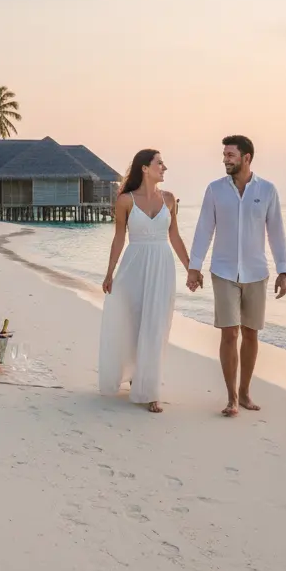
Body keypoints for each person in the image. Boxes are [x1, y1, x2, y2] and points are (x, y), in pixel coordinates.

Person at [187, 135, 286, 417]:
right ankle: (231, 397)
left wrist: (284, 270)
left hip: (256, 272)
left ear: (247, 158)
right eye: (224, 155)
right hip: (223, 271)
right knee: (230, 332)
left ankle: (245, 392)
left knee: (251, 333)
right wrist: (193, 267)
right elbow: (204, 229)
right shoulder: (215, 190)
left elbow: (276, 232)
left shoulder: (267, 190)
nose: (225, 159)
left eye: (231, 155)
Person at [99, 149, 190, 413]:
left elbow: (175, 237)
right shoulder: (125, 200)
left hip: (162, 266)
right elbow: (118, 238)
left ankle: (150, 389)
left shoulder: (170, 199)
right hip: (133, 267)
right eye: (159, 163)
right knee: (132, 321)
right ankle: (133, 374)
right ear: (145, 168)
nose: (164, 167)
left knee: (156, 325)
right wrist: (109, 273)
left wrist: (191, 269)